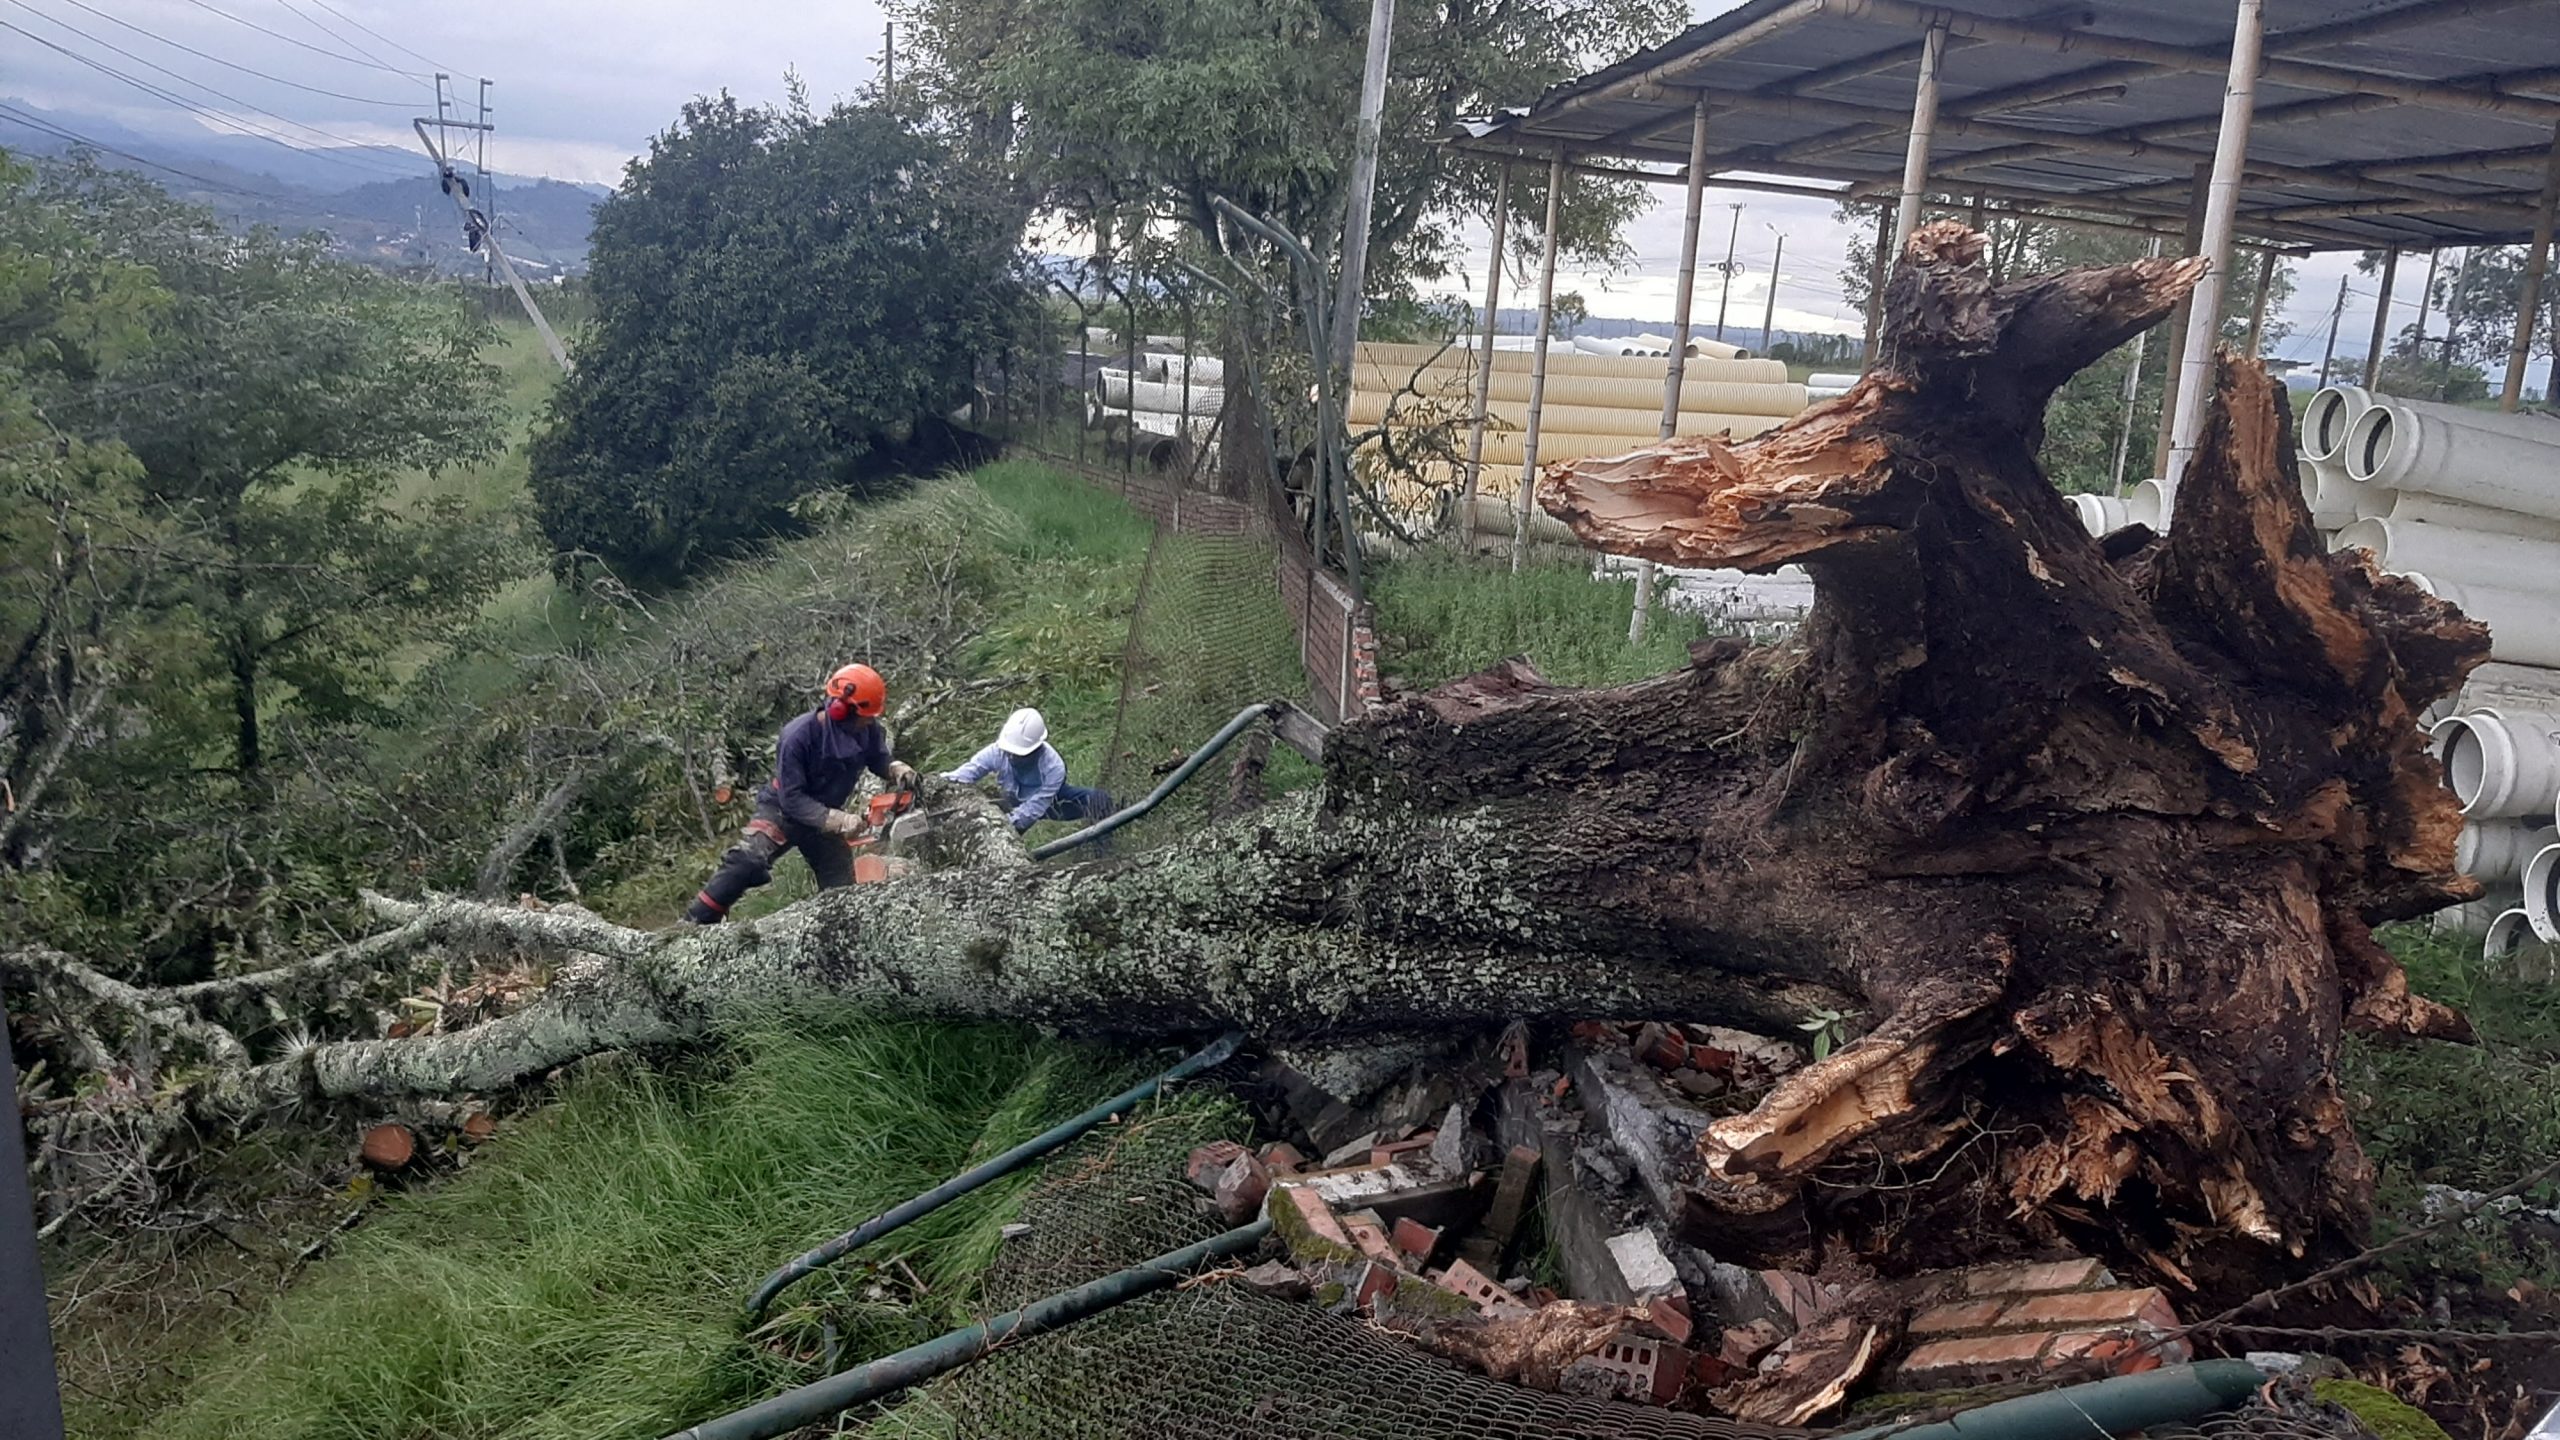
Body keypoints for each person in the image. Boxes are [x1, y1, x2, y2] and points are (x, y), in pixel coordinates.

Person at [685, 663, 917, 923]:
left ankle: (836, 933)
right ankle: (693, 923)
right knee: (747, 861)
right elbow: (792, 798)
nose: (869, 721)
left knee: (842, 889)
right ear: (843, 709)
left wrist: (896, 769)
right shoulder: (798, 736)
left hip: (823, 819)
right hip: (782, 811)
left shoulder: (867, 729)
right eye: (865, 716)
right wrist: (839, 820)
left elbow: (877, 757)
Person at [943, 707, 1115, 837]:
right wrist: (938, 782)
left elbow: (1035, 807)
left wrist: (1005, 825)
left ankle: (1102, 845)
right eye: (1009, 752)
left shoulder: (1054, 767)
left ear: (1035, 749)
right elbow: (968, 772)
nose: (1011, 757)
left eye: (1018, 754)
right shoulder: (998, 751)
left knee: (1100, 800)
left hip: (1049, 803)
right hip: (1010, 799)